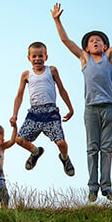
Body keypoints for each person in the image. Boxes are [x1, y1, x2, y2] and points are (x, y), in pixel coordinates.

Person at [51, 3, 112, 202]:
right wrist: (57, 20)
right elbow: (66, 40)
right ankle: (92, 188)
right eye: (91, 41)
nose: (95, 42)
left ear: (105, 46)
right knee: (92, 148)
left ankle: (106, 187)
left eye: (98, 41)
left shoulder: (109, 57)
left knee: (107, 149)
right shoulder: (85, 59)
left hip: (109, 108)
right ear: (86, 47)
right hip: (91, 110)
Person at [10, 41, 75, 177]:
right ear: (29, 58)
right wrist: (14, 115)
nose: (37, 59)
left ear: (46, 57)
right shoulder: (26, 75)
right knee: (19, 140)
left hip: (51, 112)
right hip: (34, 113)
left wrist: (70, 108)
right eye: (34, 56)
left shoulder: (51, 70)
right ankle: (35, 152)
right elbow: (19, 96)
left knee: (61, 143)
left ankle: (65, 158)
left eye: (40, 56)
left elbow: (62, 90)